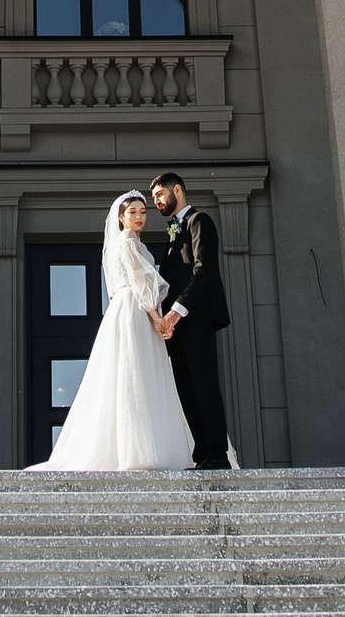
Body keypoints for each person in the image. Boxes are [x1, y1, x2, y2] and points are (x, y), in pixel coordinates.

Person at [29, 192, 194, 472]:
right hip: (134, 308)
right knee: (138, 372)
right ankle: (140, 450)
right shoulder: (128, 240)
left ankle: (135, 448)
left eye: (143, 212)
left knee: (130, 372)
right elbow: (139, 281)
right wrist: (157, 318)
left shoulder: (131, 242)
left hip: (127, 308)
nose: (139, 217)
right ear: (121, 217)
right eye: (133, 212)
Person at [151, 171, 234, 470]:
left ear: (177, 190)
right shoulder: (173, 231)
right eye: (154, 198)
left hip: (195, 318)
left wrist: (177, 311)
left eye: (159, 194)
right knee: (186, 389)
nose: (156, 202)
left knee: (203, 384)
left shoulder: (200, 221)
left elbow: (204, 269)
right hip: (176, 328)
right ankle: (202, 456)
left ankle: (218, 455)